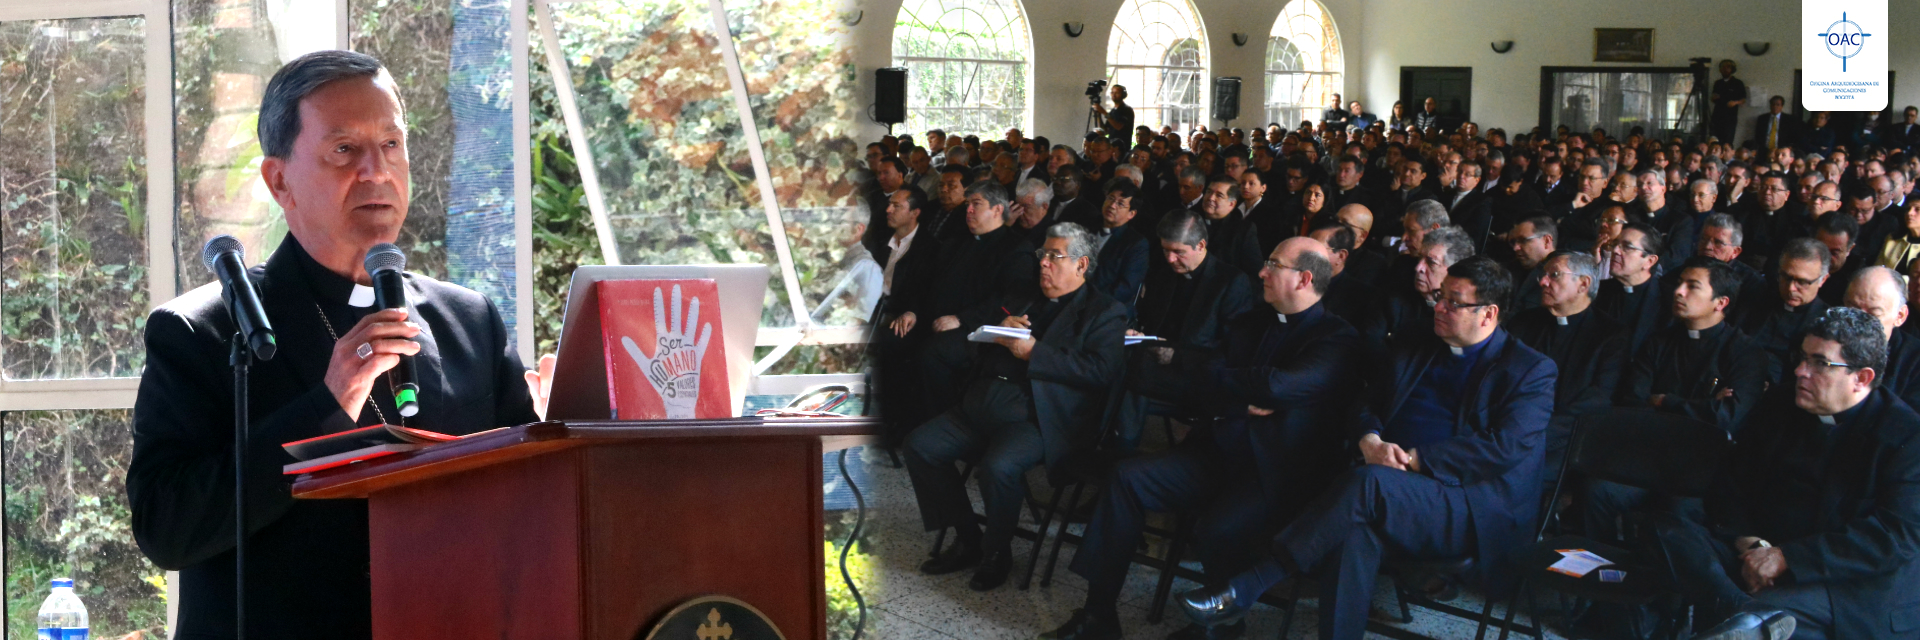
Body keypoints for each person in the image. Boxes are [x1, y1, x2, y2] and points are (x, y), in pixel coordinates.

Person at [129, 50, 546, 639]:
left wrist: (552, 434)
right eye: (345, 150)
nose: (376, 171)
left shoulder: (468, 320)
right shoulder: (205, 331)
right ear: (279, 180)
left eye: (392, 145)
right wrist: (328, 402)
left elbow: (531, 508)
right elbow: (165, 528)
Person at [1179, 256, 1557, 640]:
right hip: (1384, 484)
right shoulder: (1417, 340)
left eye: (1453, 302)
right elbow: (1366, 402)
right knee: (1353, 531)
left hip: (1467, 502)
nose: (1439, 307)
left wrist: (1411, 460)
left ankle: (1249, 585)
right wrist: (1370, 439)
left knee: (1365, 486)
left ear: (1488, 314)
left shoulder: (1529, 369)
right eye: (1440, 297)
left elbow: (1503, 449)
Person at [1041, 237, 1359, 640]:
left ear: (1304, 279)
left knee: (1217, 528)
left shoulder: (1337, 338)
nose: (1261, 272)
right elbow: (1199, 380)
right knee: (1126, 478)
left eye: (1273, 265)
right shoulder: (1250, 321)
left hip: (1276, 473)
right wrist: (1242, 397)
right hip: (1216, 451)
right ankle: (1097, 615)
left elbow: (1278, 386)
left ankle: (1223, 626)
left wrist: (1229, 385)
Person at [1654, 307, 1920, 640]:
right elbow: (1732, 479)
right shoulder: (1781, 403)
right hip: (1754, 550)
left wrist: (1786, 559)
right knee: (1667, 527)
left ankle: (1749, 617)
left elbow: (1894, 537)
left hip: (1837, 580)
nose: (1799, 371)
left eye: (1819, 363)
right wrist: (1747, 541)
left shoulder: (1907, 435)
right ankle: (1744, 614)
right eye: (1802, 357)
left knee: (1777, 610)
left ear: (1862, 378)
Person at [904, 222, 1127, 592]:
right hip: (981, 403)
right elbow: (974, 346)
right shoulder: (1025, 296)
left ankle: (996, 552)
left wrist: (1036, 353)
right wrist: (998, 330)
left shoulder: (1104, 311)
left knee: (999, 466)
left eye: (1055, 256)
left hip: (1036, 415)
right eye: (1043, 255)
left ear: (1081, 265)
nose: (1043, 264)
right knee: (920, 446)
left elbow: (1101, 371)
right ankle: (967, 538)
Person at [1616, 257, 1768, 433]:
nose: (1678, 291)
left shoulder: (1746, 353)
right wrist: (1705, 405)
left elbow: (1725, 418)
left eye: (1693, 286)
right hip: (1649, 438)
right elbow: (1632, 403)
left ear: (1720, 302)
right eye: (1680, 283)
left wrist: (1664, 401)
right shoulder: (1658, 342)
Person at [1733, 238, 1833, 382]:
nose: (1791, 288)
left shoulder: (1826, 323)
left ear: (1822, 280)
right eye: (1785, 277)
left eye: (1802, 282)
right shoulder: (1756, 297)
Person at [1845, 266, 1920, 409]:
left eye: (1874, 314)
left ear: (1900, 316)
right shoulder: (1821, 341)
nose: (1859, 321)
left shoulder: (1915, 362)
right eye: (1853, 309)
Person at [1594, 223, 1669, 354]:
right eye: (1616, 244)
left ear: (1649, 261)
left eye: (1627, 247)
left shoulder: (1668, 301)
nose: (1616, 251)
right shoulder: (1597, 291)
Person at [1089, 179, 1151, 317]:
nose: (1112, 205)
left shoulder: (1136, 244)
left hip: (1108, 310)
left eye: (1120, 204)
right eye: (1110, 198)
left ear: (1131, 214)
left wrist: (1089, 302)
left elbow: (1125, 288)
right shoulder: (1087, 227)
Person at [1710, 60, 1747, 145]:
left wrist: (1735, 102)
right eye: (1723, 67)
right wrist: (1714, 97)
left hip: (1730, 117)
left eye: (1728, 67)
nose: (1725, 69)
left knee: (1727, 141)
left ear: (1732, 69)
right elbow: (1713, 97)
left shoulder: (1738, 83)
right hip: (1717, 116)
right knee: (1715, 140)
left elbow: (1743, 99)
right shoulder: (1718, 83)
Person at [1094, 84, 1135, 149]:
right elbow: (1105, 131)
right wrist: (1099, 115)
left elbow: (1118, 126)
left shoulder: (1127, 110)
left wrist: (1104, 112)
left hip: (1123, 147)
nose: (1114, 95)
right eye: (1112, 92)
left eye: (1117, 93)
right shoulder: (1113, 111)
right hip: (1111, 145)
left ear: (1123, 95)